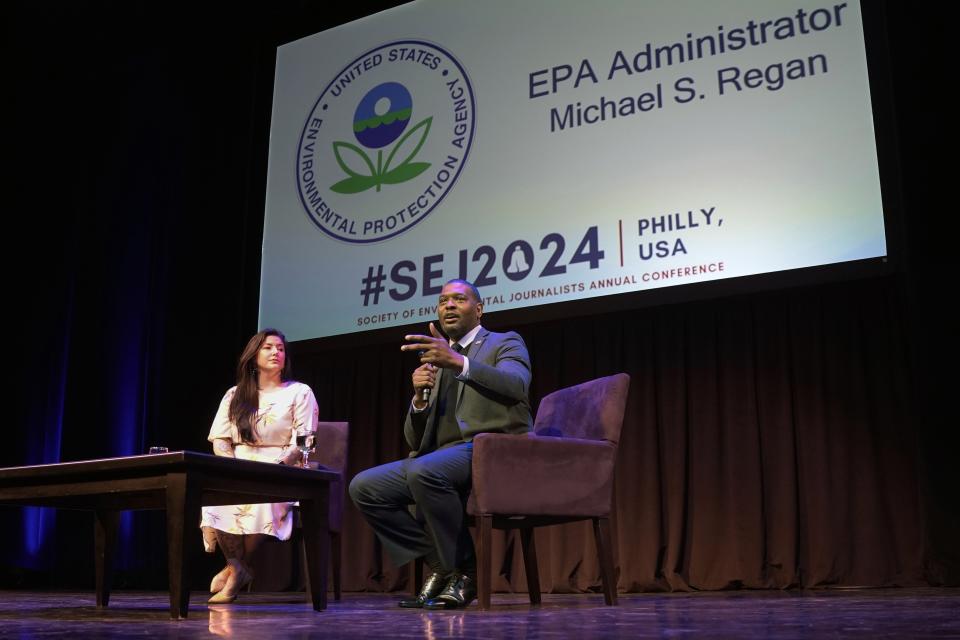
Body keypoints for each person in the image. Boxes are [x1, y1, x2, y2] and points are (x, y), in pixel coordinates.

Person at [349, 279, 532, 609]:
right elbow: (414, 439)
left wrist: (459, 363)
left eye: (459, 299)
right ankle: (440, 565)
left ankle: (466, 572)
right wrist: (418, 397)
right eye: (443, 300)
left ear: (479, 309)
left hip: (491, 451)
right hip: (440, 458)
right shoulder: (434, 362)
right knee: (365, 487)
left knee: (424, 471)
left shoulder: (504, 343)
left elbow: (517, 385)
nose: (448, 305)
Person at [200, 328, 319, 604]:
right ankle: (238, 569)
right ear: (253, 357)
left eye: (280, 348)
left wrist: (276, 466)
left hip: (281, 469)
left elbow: (304, 441)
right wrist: (230, 469)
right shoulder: (235, 394)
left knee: (263, 498)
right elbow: (220, 439)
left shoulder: (300, 392)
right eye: (268, 347)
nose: (276, 352)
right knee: (216, 498)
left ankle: (233, 571)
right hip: (238, 467)